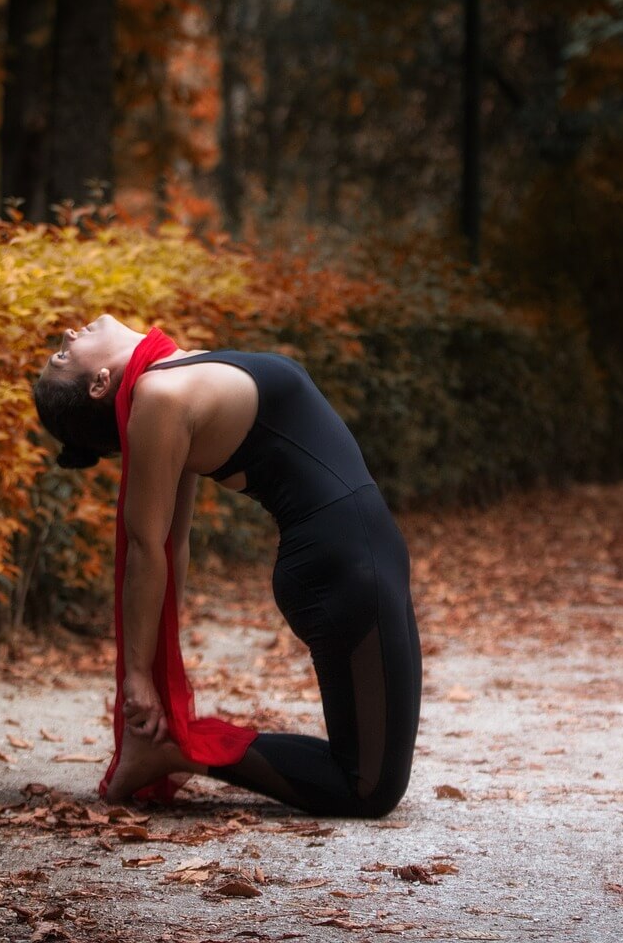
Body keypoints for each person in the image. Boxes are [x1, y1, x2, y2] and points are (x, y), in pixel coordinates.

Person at [33, 314, 422, 817]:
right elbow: (149, 548)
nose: (67, 335)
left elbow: (173, 545)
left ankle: (172, 747)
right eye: (63, 357)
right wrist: (138, 678)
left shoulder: (177, 374)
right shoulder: (160, 398)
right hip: (340, 569)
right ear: (101, 383)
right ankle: (172, 750)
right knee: (369, 789)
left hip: (365, 558)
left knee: (372, 772)